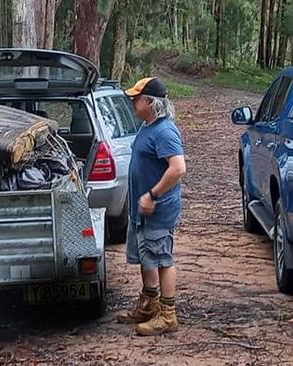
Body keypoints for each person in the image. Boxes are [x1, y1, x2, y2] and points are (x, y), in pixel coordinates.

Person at [115, 77, 186, 336]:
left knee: (162, 259)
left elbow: (178, 169)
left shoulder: (165, 131)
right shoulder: (148, 126)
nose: (133, 101)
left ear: (150, 102)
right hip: (141, 210)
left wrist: (152, 195)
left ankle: (168, 315)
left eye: (137, 98)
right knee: (146, 258)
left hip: (157, 209)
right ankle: (148, 305)